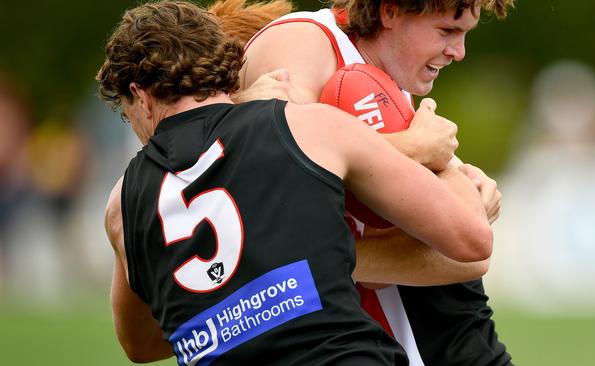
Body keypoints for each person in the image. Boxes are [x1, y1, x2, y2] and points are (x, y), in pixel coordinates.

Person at [97, 1, 493, 364]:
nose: (458, 50)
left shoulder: (122, 202)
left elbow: (141, 345)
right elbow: (472, 243)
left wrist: (234, 306)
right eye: (446, 31)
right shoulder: (299, 118)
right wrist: (439, 161)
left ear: (141, 97)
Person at [226, 0, 515, 364]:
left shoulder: (383, 79)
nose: (458, 52)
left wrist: (448, 176)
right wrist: (413, 149)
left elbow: (469, 254)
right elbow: (283, 171)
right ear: (391, 11)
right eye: (447, 31)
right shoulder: (306, 41)